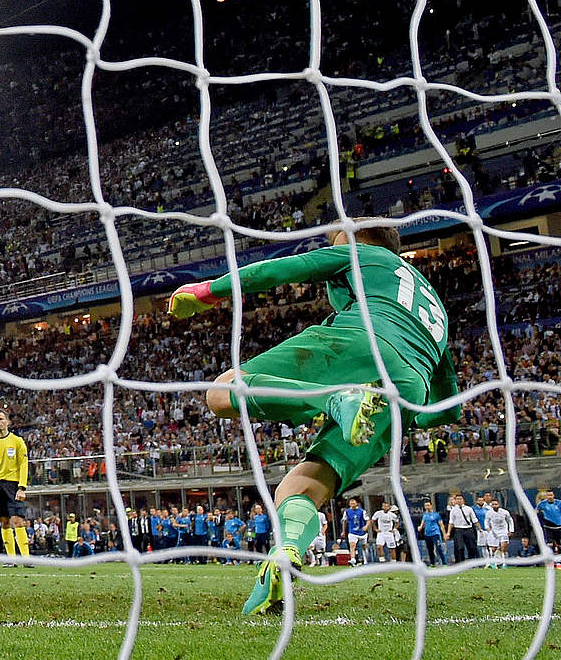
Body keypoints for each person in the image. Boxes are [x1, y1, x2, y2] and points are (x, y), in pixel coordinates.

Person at [169, 220, 459, 614]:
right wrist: (408, 419)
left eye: (339, 237)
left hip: (364, 339)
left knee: (222, 391)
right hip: (407, 388)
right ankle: (284, 557)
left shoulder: (365, 252)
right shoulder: (434, 304)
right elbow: (449, 406)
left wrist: (206, 291)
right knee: (302, 486)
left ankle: (336, 397)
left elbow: (281, 269)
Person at [0, 407, 30, 564]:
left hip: (12, 484)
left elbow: (24, 464)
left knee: (17, 520)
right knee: (4, 521)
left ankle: (26, 558)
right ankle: (11, 559)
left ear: (8, 422)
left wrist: (22, 487)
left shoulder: (17, 441)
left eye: (1, 419)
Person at [446, 492, 481, 563]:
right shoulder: (453, 510)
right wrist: (448, 532)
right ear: (455, 500)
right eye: (457, 499)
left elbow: (474, 520)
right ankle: (460, 562)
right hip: (458, 530)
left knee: (471, 546)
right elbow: (451, 522)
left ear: (463, 500)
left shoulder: (469, 509)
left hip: (468, 529)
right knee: (459, 547)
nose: (459, 500)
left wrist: (480, 529)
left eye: (460, 499)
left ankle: (473, 562)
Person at [484, 499, 514, 568]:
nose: (494, 506)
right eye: (493, 504)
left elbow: (510, 520)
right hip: (494, 532)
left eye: (496, 504)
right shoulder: (489, 513)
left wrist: (511, 530)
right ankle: (493, 563)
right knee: (493, 549)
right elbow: (486, 520)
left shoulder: (505, 512)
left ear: (499, 505)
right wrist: (487, 527)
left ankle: (504, 563)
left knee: (503, 547)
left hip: (503, 531)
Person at [419, 500, 447, 566]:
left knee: (439, 548)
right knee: (430, 549)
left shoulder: (436, 514)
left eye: (428, 505)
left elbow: (441, 525)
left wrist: (444, 534)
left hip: (435, 534)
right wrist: (420, 527)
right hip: (427, 534)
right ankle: (432, 563)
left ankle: (444, 563)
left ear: (431, 506)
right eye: (426, 506)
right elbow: (422, 524)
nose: (427, 507)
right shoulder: (424, 515)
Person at [343, 498, 369, 566]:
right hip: (352, 532)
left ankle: (365, 559)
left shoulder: (362, 511)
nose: (352, 505)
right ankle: (353, 559)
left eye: (353, 503)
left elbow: (368, 520)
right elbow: (344, 522)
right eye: (351, 504)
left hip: (361, 532)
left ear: (356, 503)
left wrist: (366, 526)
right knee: (352, 545)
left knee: (364, 546)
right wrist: (343, 531)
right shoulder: (347, 512)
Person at [537, 489, 561, 561]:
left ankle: (559, 559)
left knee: (559, 544)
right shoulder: (542, 504)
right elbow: (536, 511)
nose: (550, 497)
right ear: (546, 496)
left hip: (559, 526)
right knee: (550, 544)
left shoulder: (559, 503)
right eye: (548, 495)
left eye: (551, 495)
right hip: (548, 527)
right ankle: (551, 561)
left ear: (553, 495)